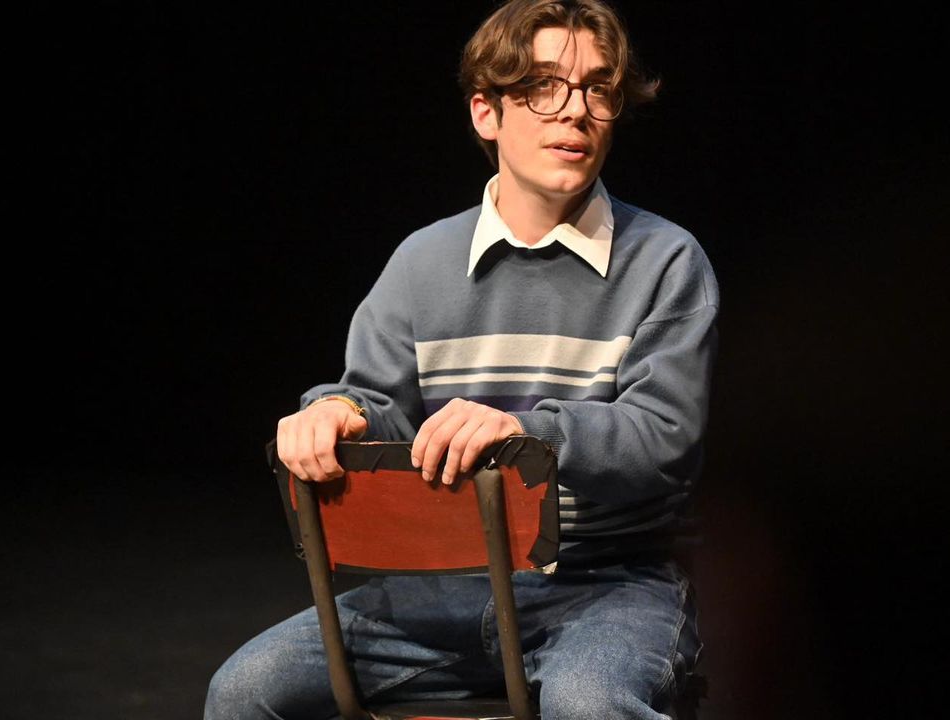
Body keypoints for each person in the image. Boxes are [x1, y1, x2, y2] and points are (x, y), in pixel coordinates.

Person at [205, 0, 718, 717]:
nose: (576, 111)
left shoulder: (665, 260)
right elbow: (375, 402)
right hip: (441, 583)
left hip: (611, 583)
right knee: (244, 692)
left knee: (588, 704)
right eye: (544, 86)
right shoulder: (423, 262)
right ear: (486, 112)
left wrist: (527, 433)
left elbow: (665, 438)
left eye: (597, 89)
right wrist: (335, 411)